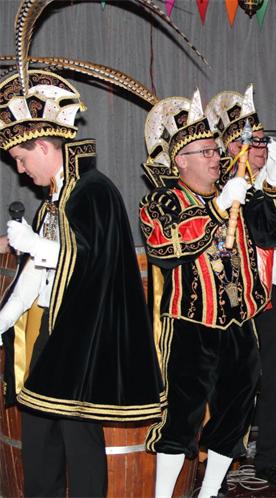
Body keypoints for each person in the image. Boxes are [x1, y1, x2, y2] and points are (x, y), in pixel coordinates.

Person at [0, 70, 164, 497]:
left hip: (82, 338)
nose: (19, 169)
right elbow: (36, 277)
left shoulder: (94, 191)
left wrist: (36, 245)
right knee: (38, 435)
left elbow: (94, 261)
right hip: (48, 334)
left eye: (20, 158)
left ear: (42, 146)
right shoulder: (51, 203)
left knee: (79, 439)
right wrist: (3, 319)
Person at [139, 90, 276, 498]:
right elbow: (165, 246)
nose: (216, 157)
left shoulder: (236, 192)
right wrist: (216, 210)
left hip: (239, 325)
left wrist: (274, 184)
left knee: (235, 414)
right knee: (181, 418)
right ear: (181, 160)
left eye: (215, 149)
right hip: (190, 325)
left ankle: (209, 493)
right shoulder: (162, 200)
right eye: (206, 151)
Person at [205, 85, 276, 490]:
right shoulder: (217, 190)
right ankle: (222, 463)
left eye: (264, 140)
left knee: (274, 379)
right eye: (251, 141)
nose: (260, 148)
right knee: (229, 384)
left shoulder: (274, 182)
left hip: (270, 294)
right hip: (232, 298)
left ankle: (268, 459)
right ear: (231, 148)